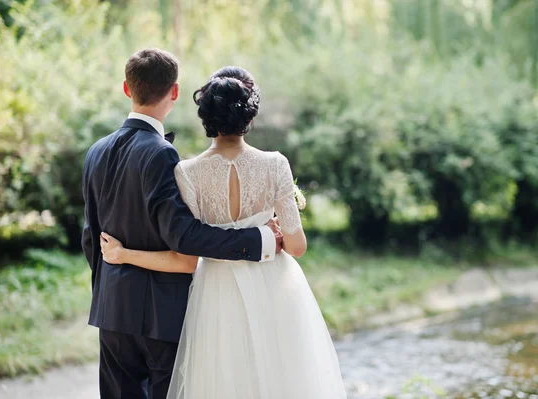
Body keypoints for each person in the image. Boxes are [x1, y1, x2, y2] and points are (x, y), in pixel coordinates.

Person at [100, 66, 348, 398]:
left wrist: (123, 255)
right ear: (249, 114)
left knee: (223, 380)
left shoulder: (186, 171)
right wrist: (271, 226)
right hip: (274, 285)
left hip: (215, 290)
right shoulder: (275, 164)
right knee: (280, 376)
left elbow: (185, 256)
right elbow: (297, 246)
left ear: (207, 118)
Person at [81, 49, 282, 399]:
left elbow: (90, 237)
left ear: (127, 89)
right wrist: (258, 239)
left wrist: (110, 285)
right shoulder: (160, 153)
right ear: (174, 92)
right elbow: (183, 236)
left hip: (111, 311)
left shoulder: (96, 151)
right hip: (159, 315)